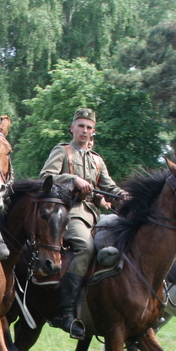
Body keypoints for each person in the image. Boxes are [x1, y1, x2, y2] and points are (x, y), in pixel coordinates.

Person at [41, 107, 122, 338]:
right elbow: (45, 176)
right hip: (70, 213)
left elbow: (110, 187)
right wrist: (72, 178)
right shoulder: (63, 151)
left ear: (93, 131)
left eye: (89, 127)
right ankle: (65, 312)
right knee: (86, 248)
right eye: (81, 126)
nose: (84, 131)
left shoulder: (97, 160)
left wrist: (125, 195)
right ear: (72, 128)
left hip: (95, 217)